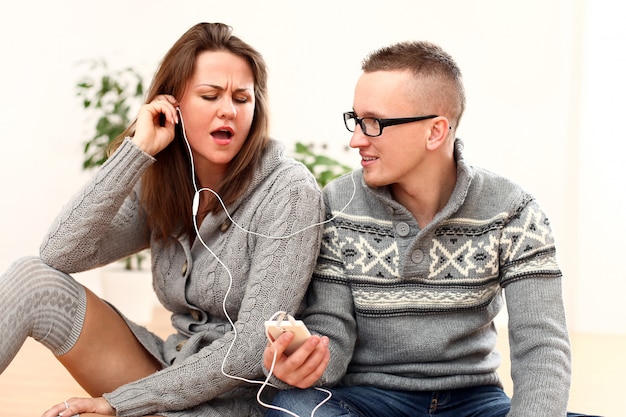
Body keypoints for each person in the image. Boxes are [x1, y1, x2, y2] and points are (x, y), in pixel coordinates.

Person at [0, 22, 324, 417]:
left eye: (242, 98)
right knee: (32, 278)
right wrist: (136, 150)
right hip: (168, 368)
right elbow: (59, 254)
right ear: (172, 104)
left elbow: (249, 351)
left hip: (237, 400)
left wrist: (121, 403)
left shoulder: (289, 191)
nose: (229, 110)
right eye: (210, 95)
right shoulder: (166, 184)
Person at [263, 41, 599, 416]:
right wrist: (306, 362)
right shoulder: (338, 204)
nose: (356, 138)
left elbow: (542, 346)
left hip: (474, 401)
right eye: (356, 120)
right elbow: (332, 333)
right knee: (294, 408)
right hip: (369, 400)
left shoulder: (514, 212)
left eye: (374, 123)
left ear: (435, 131)